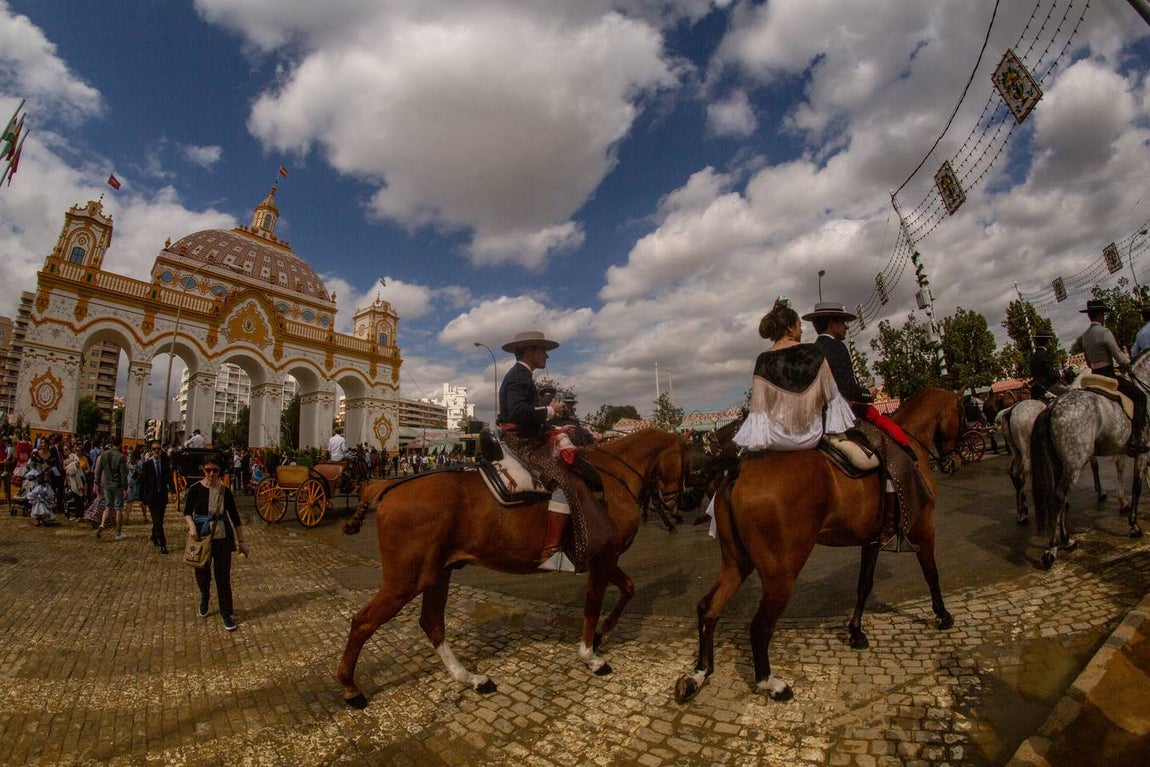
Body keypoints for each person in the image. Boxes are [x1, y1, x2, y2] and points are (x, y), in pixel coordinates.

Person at [803, 300, 930, 549]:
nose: (846, 328)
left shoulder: (810, 351)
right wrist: (868, 393)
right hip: (843, 417)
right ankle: (889, 526)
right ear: (831, 323)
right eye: (842, 322)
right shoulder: (837, 348)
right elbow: (847, 389)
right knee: (892, 454)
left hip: (816, 419)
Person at [497, 330, 608, 572]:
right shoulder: (519, 376)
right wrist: (550, 411)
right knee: (562, 481)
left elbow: (525, 416)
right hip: (521, 441)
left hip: (528, 435)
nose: (547, 355)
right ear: (529, 351)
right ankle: (551, 550)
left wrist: (552, 427)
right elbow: (516, 413)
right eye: (542, 350)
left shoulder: (523, 376)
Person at [732, 299, 855, 451]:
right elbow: (833, 396)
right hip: (811, 437)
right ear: (790, 328)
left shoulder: (763, 360)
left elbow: (759, 408)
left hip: (776, 439)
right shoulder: (814, 352)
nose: (802, 330)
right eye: (799, 325)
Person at [183, 455, 248, 631]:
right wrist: (191, 527)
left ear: (220, 472)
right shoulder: (195, 489)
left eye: (215, 471)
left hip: (222, 537)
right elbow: (187, 512)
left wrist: (241, 541)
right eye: (208, 470)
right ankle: (205, 596)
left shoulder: (225, 491)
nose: (211, 474)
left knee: (223, 576)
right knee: (201, 572)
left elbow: (235, 518)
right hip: (201, 536)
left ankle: (226, 613)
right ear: (203, 470)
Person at [1080, 298, 1148, 454]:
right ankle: (1136, 438)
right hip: (1109, 376)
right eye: (1103, 315)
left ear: (1090, 316)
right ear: (1101, 316)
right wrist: (1129, 368)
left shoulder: (1085, 336)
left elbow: (1089, 362)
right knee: (1140, 397)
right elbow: (1118, 355)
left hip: (1094, 376)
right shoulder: (1104, 332)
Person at [138, 440, 173, 554]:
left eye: (158, 449)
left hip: (162, 496)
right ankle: (163, 543)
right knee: (157, 520)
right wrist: (141, 498)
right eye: (154, 449)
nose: (157, 451)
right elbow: (142, 482)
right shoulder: (147, 465)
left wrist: (173, 491)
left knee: (159, 520)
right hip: (151, 496)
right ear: (151, 451)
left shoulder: (165, 463)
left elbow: (169, 478)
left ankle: (154, 535)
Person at [96, 441, 129, 540]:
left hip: (107, 484)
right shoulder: (121, 457)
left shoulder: (104, 455)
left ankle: (102, 524)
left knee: (108, 507)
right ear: (119, 445)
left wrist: (97, 482)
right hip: (117, 485)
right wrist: (125, 488)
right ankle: (118, 533)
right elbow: (123, 474)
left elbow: (98, 470)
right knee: (118, 508)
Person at [1029, 332, 1063, 400]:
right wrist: (1059, 374)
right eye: (1049, 341)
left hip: (1036, 388)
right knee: (1069, 393)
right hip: (1048, 386)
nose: (1050, 343)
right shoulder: (1047, 354)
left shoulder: (1033, 356)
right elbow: (1050, 374)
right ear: (1047, 342)